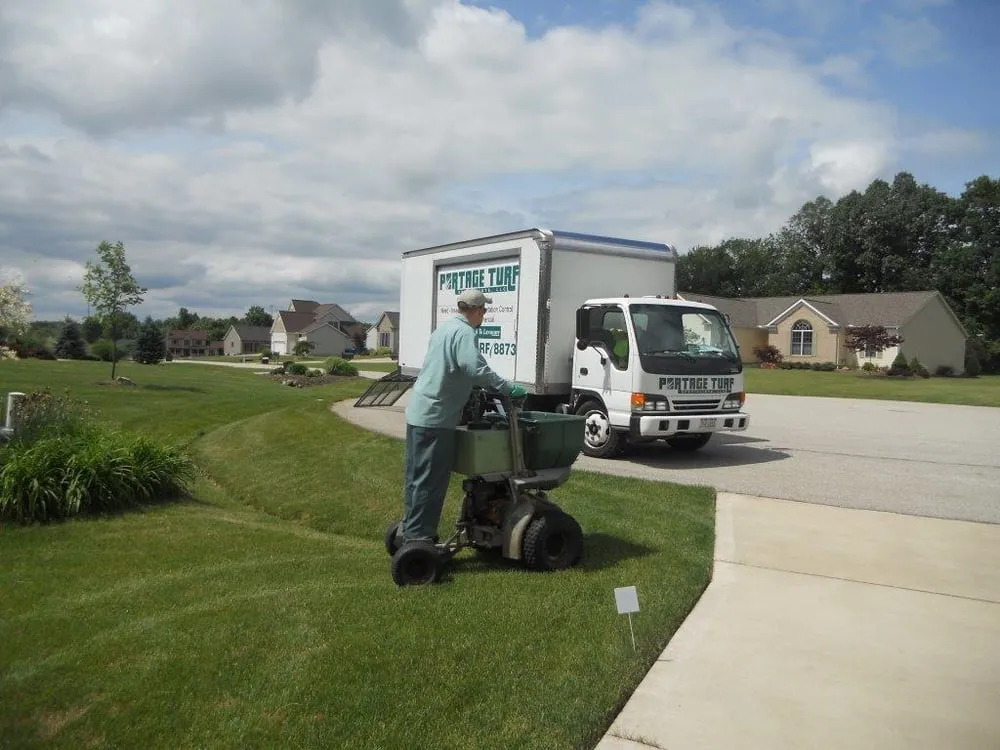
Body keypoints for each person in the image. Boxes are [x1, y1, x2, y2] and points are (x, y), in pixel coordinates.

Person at [400, 288, 527, 546]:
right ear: (479, 310)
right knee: (431, 480)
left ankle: (411, 528)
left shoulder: (444, 329)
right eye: (484, 311)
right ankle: (419, 538)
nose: (484, 315)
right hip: (436, 418)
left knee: (416, 477)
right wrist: (506, 387)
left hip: (419, 414)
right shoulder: (464, 332)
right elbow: (474, 368)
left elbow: (453, 369)